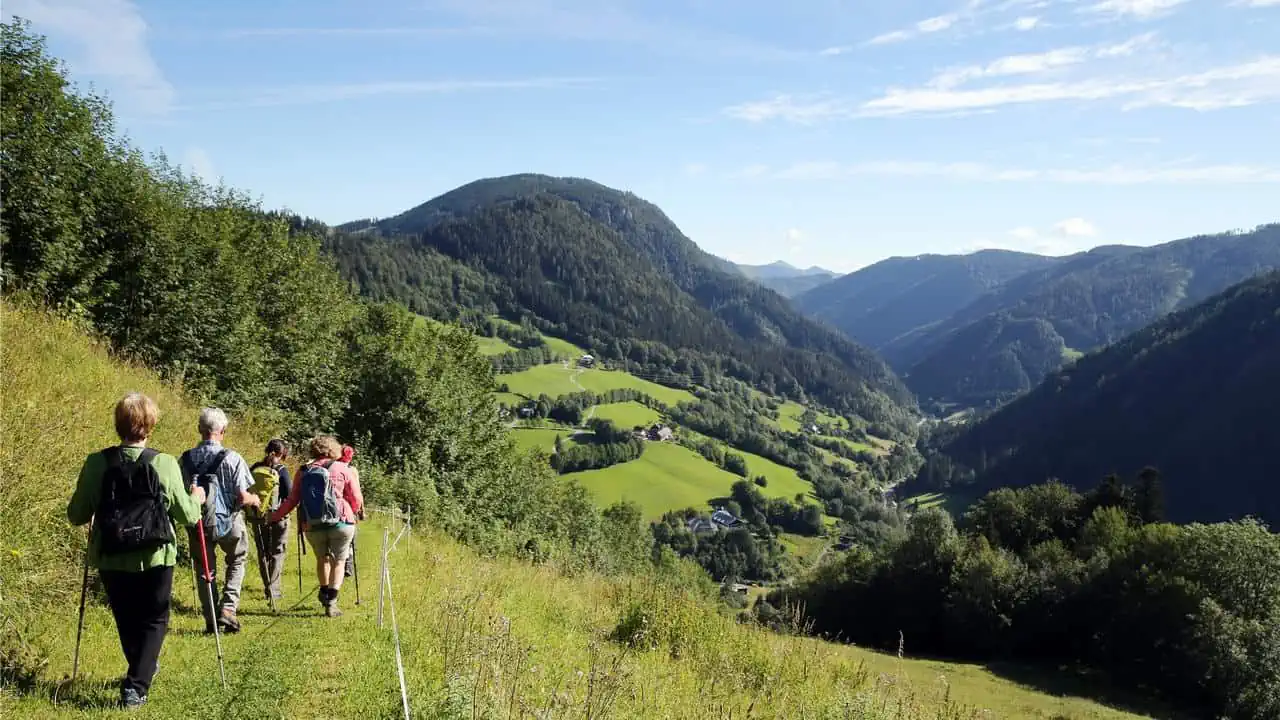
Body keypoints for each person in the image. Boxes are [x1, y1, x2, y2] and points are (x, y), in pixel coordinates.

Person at [67, 392, 207, 710]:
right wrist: (197, 497)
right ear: (151, 424)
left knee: (126, 619)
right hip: (156, 555)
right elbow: (188, 515)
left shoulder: (96, 463)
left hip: (111, 553)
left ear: (118, 424)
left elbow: (76, 515)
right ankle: (137, 686)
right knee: (155, 619)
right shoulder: (164, 463)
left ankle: (139, 672)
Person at [180, 407, 260, 634]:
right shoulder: (233, 458)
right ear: (222, 431)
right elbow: (243, 497)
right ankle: (228, 608)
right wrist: (254, 499)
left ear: (199, 429)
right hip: (229, 521)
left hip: (197, 523)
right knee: (237, 558)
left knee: (205, 569)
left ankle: (211, 619)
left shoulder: (185, 459)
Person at [270, 436, 363, 617]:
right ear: (333, 449)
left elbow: (292, 500)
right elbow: (356, 498)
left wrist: (275, 516)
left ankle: (324, 589)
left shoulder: (303, 471)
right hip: (341, 522)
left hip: (312, 523)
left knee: (323, 559)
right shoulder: (342, 468)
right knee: (340, 560)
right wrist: (351, 511)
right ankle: (332, 601)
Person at [249, 438, 292, 603]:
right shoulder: (282, 470)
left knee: (263, 553)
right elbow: (288, 494)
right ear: (282, 454)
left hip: (257, 516)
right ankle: (273, 590)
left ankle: (267, 585)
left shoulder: (254, 467)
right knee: (277, 552)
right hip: (277, 516)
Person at [340, 444, 360, 579]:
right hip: (350, 508)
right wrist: (360, 509)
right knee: (351, 538)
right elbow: (357, 492)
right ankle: (347, 564)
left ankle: (340, 564)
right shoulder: (352, 470)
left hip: (335, 508)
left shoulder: (332, 468)